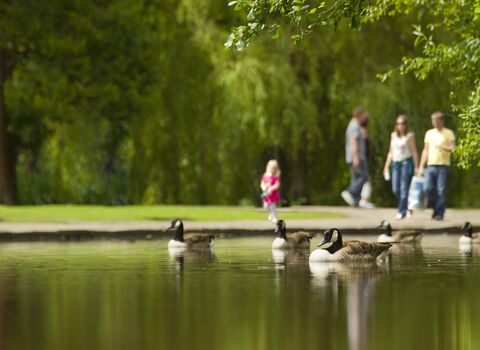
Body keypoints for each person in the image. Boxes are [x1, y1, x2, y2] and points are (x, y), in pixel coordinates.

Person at [418, 112, 455, 220]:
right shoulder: (429, 133)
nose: (435, 123)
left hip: (443, 165)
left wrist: (443, 147)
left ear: (442, 121)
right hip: (430, 165)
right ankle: (435, 207)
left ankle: (439, 213)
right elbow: (425, 150)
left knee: (441, 190)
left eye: (438, 120)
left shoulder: (448, 133)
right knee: (427, 188)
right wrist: (421, 166)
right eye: (433, 120)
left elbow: (453, 148)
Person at [383, 115, 419, 219]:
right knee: (396, 189)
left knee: (404, 188)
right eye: (398, 123)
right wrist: (386, 166)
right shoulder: (393, 135)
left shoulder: (409, 136)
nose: (400, 125)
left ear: (406, 125)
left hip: (406, 164)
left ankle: (401, 211)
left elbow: (414, 152)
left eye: (402, 123)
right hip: (395, 164)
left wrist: (416, 167)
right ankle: (408, 205)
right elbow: (390, 152)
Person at [341, 107, 369, 207]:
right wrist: (356, 157)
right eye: (363, 116)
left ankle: (355, 201)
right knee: (363, 177)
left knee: (355, 178)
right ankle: (350, 192)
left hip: (353, 157)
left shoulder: (354, 125)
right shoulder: (354, 126)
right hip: (356, 157)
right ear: (359, 115)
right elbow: (354, 142)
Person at [359, 114, 375, 208]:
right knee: (365, 180)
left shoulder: (362, 131)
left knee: (365, 179)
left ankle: (365, 199)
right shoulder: (362, 131)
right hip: (363, 159)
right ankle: (364, 200)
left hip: (364, 159)